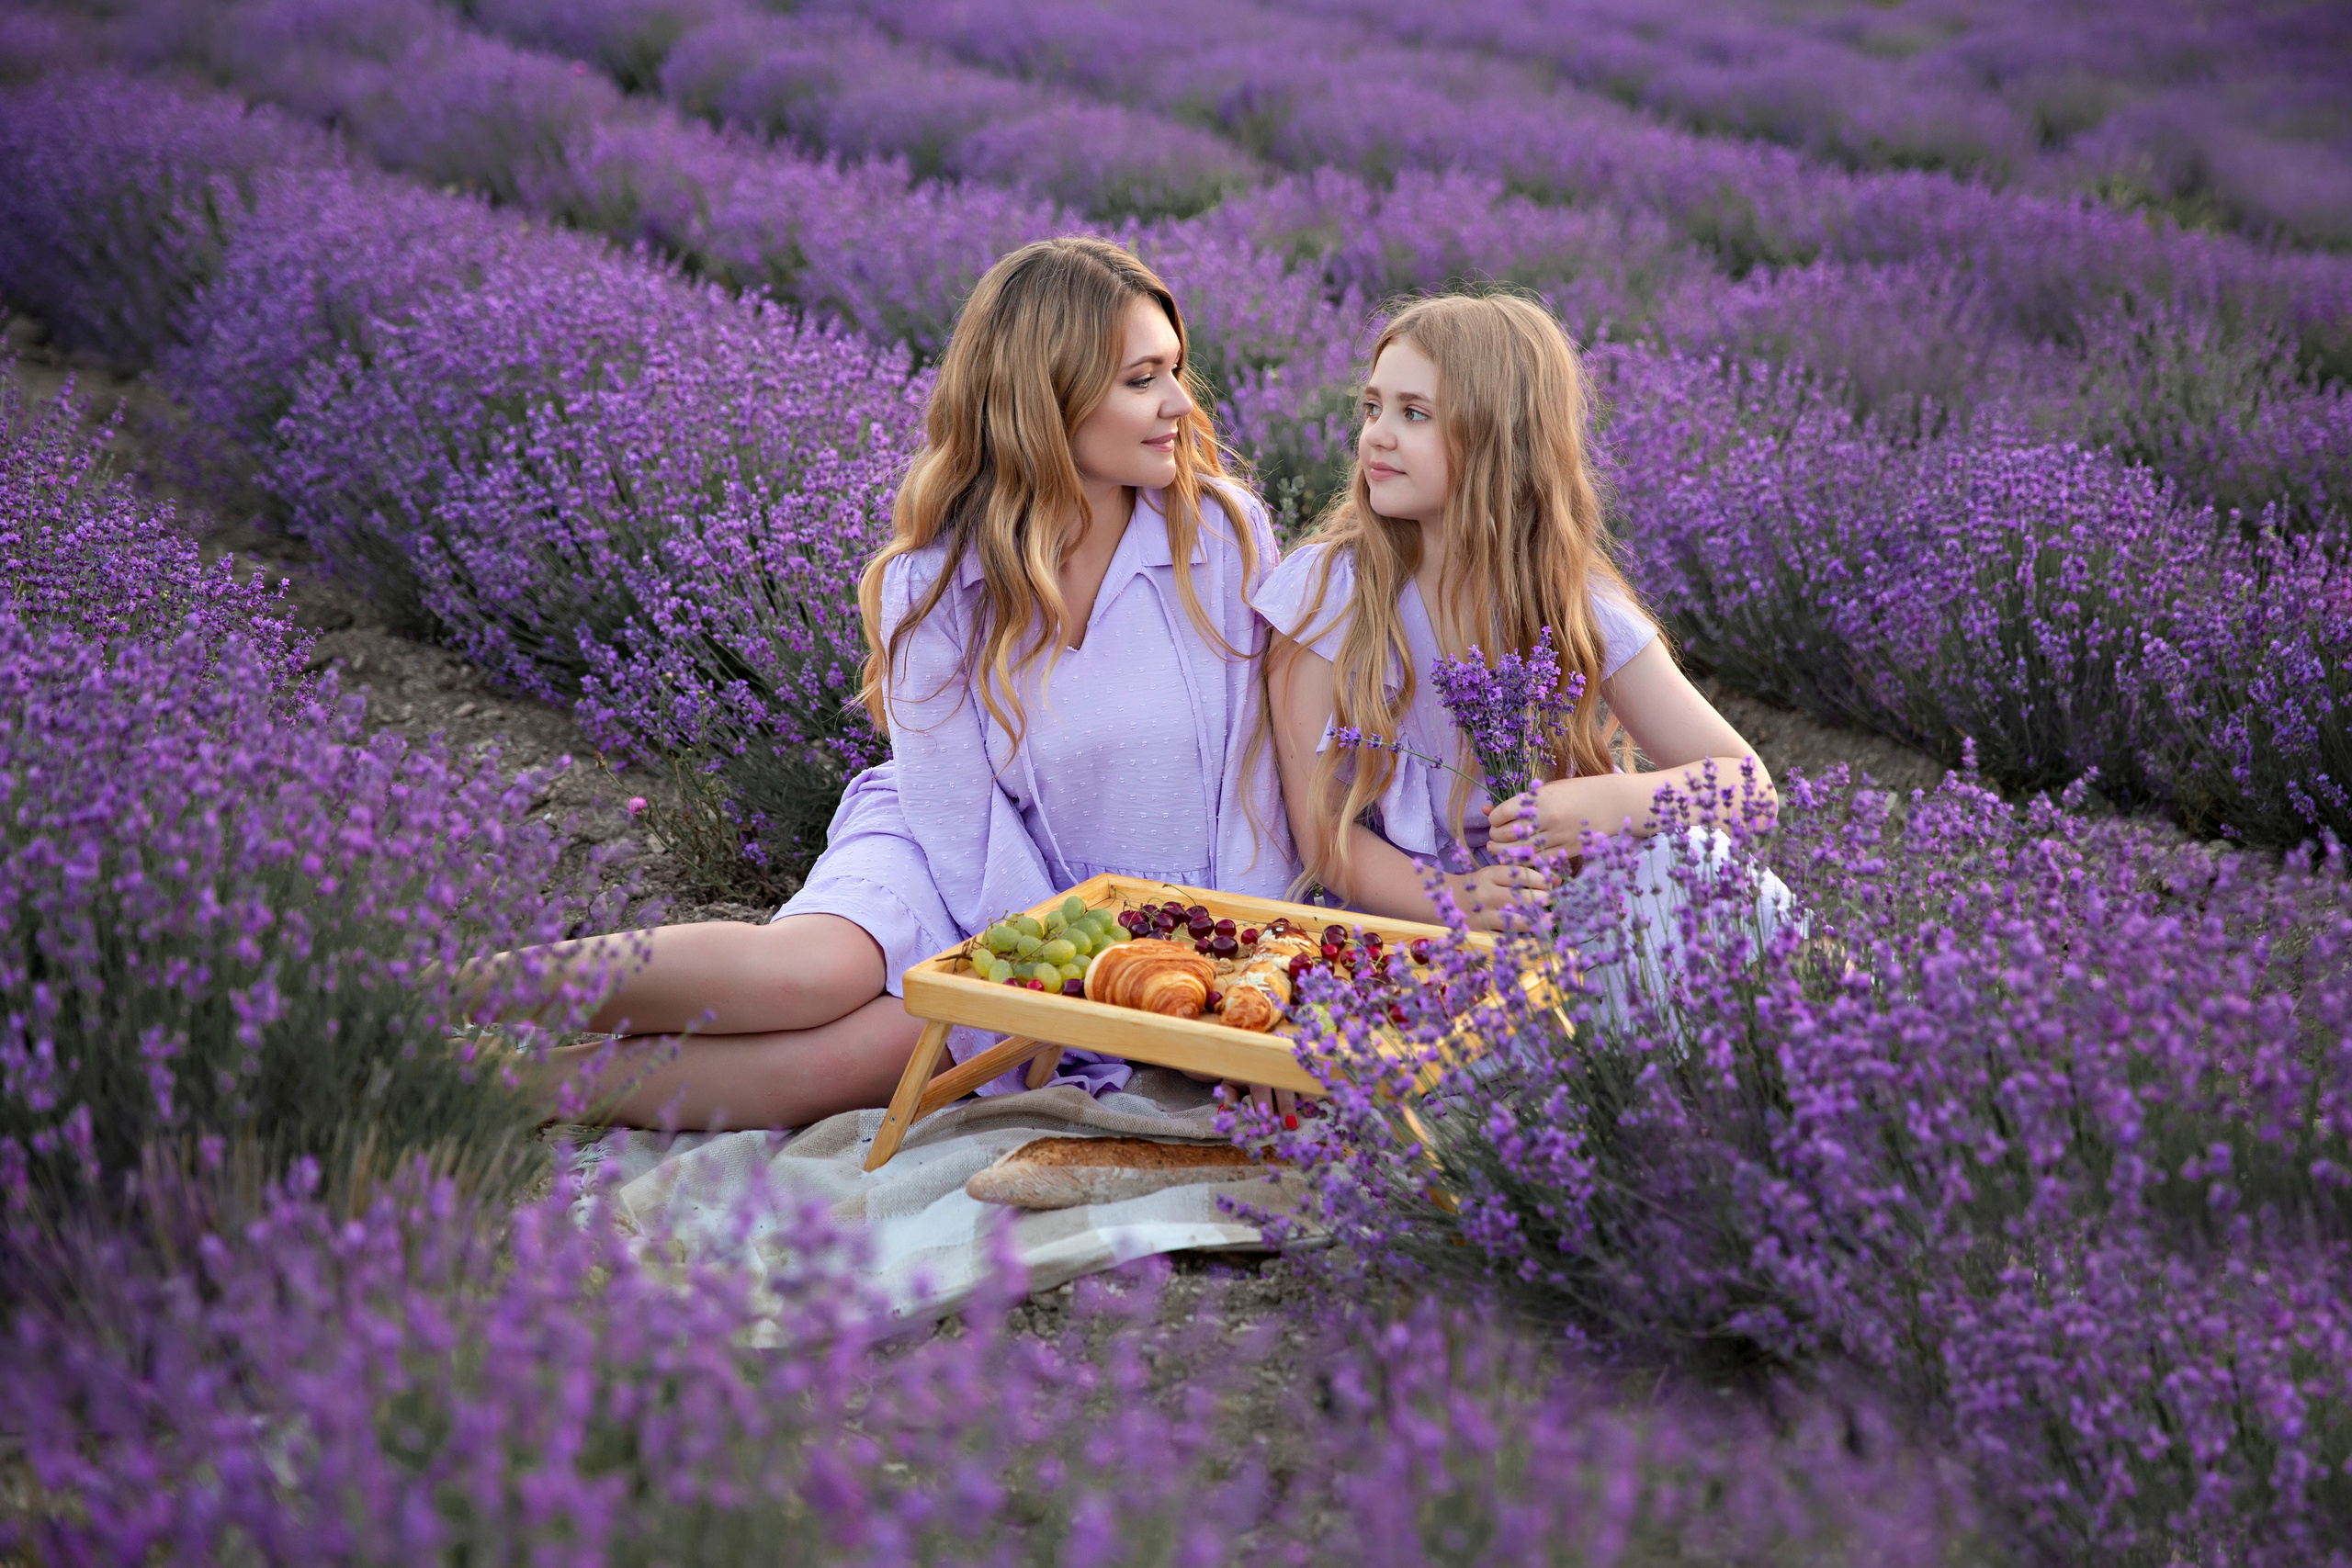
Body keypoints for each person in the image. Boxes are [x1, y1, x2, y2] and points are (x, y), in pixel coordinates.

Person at [488, 237, 1295, 1130]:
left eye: (1175, 369)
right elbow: (955, 806)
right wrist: (1038, 968)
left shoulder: (1220, 537)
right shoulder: (938, 580)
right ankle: (425, 996)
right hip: (955, 850)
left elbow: (1259, 772)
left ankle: (495, 1086)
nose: (1181, 402)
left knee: (865, 1053)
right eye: (1142, 380)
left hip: (1155, 914)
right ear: (1046, 400)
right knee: (809, 974)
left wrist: (1248, 964)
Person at [1254, 292, 1781, 951]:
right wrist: (1458, 901)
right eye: (1372, 407)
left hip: (1553, 908)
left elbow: (1749, 789)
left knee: (1709, 876)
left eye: (1414, 413)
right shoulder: (1329, 591)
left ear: (1498, 439)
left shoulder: (1570, 600)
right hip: (1399, 928)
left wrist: (1593, 806)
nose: (1377, 435)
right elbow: (1321, 834)